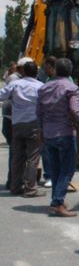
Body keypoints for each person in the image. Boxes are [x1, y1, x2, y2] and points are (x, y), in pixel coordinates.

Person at [37, 58, 79, 216]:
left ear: (55, 70)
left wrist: (41, 131)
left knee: (56, 170)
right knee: (67, 170)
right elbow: (75, 110)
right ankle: (58, 203)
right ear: (70, 71)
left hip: (48, 134)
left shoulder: (44, 88)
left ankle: (56, 199)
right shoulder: (71, 88)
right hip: (65, 134)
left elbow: (39, 113)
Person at [0, 60, 45, 197]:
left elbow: (1, 95)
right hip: (34, 125)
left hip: (17, 125)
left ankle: (15, 187)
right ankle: (30, 188)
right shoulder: (41, 86)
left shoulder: (15, 84)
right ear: (36, 72)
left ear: (23, 72)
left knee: (17, 157)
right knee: (32, 158)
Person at [2, 58, 31, 190]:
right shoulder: (15, 79)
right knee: (17, 153)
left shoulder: (17, 79)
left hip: (14, 120)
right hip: (13, 120)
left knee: (17, 152)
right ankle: (14, 181)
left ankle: (15, 181)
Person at [39, 56, 58, 188]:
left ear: (51, 67)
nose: (44, 69)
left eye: (45, 66)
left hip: (55, 122)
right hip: (50, 122)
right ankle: (50, 175)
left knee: (50, 150)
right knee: (47, 150)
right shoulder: (47, 80)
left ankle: (54, 176)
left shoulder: (62, 81)